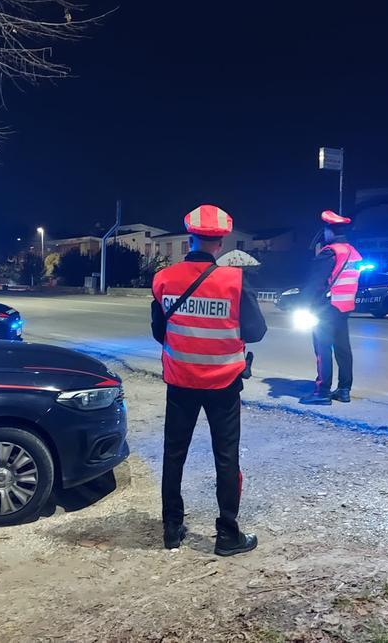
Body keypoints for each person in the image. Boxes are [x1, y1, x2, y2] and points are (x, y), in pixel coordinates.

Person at [151, 204, 267, 556]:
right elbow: (256, 331)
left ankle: (172, 529)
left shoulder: (163, 279)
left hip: (180, 381)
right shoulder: (235, 280)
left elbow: (160, 332)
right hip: (223, 384)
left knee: (174, 455)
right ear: (221, 241)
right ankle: (227, 535)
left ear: (190, 238)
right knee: (226, 457)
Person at [300, 211, 362, 405]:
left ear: (329, 231)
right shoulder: (353, 252)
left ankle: (322, 392)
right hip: (345, 306)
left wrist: (303, 303)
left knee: (322, 348)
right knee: (343, 348)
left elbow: (315, 282)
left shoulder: (330, 252)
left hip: (326, 307)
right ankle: (344, 390)